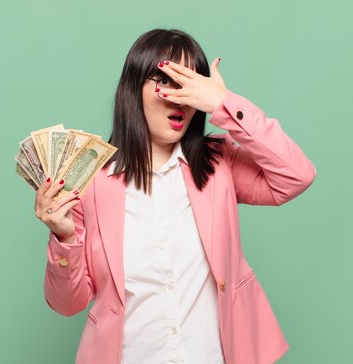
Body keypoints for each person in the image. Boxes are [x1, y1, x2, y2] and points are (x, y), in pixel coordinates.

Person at [33, 29, 316, 364]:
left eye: (189, 85)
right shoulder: (92, 182)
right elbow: (67, 304)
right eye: (166, 80)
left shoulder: (218, 163)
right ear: (133, 88)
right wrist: (64, 238)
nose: (180, 98)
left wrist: (223, 104)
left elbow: (296, 175)